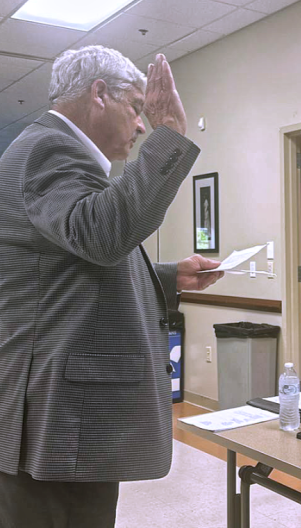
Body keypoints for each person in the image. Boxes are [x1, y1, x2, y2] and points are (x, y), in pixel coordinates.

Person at [0, 46, 224, 528]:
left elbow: (72, 261)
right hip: (57, 415)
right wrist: (170, 138)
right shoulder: (48, 148)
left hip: (62, 409)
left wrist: (167, 276)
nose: (142, 126)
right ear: (99, 95)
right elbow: (103, 235)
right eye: (136, 108)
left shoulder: (51, 150)